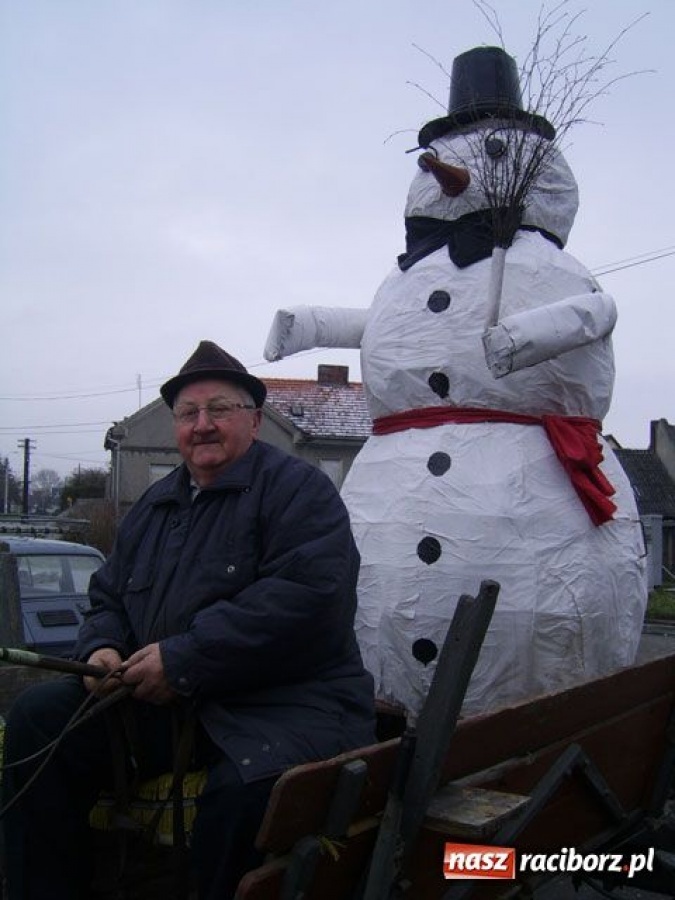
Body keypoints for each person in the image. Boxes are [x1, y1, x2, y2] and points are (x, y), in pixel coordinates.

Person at [1, 340, 376, 900]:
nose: (202, 425)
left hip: (285, 704)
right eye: (188, 413)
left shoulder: (301, 492)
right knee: (39, 719)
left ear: (253, 419)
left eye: (219, 409)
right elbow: (106, 597)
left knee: (241, 797)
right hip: (168, 705)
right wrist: (100, 649)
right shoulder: (153, 507)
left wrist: (184, 658)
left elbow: (307, 598)